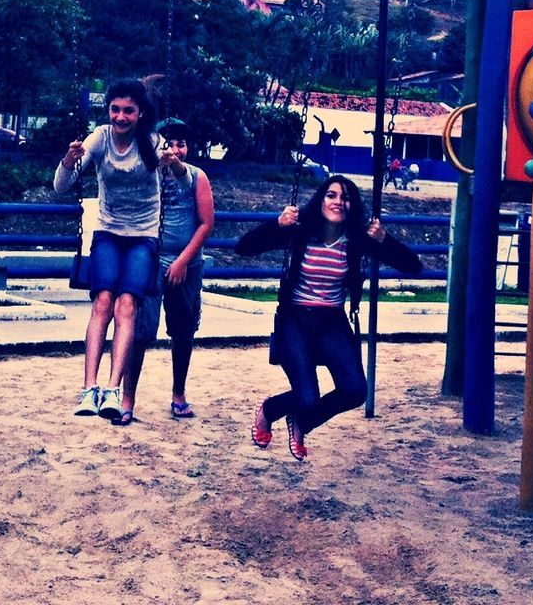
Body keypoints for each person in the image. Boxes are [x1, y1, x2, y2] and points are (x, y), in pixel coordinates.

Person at [235, 174, 422, 462]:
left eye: (345, 197)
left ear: (352, 205)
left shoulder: (358, 240)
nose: (338, 202)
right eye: (331, 195)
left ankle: (302, 423)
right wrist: (277, 225)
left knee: (355, 390)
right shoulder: (300, 231)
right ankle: (270, 410)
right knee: (307, 396)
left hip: (331, 320)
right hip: (295, 318)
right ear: (321, 199)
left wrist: (385, 240)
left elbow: (413, 267)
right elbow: (243, 248)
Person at [53, 79, 161, 421]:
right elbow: (61, 187)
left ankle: (114, 389)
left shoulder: (153, 143)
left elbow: (183, 179)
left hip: (143, 235)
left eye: (128, 110)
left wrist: (174, 167)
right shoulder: (99, 138)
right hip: (109, 232)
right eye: (115, 109)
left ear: (140, 113)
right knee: (102, 302)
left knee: (126, 305)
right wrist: (69, 162)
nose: (121, 117)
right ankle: (89, 389)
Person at [119, 117, 215, 425]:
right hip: (149, 260)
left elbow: (206, 224)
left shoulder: (197, 177)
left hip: (186, 262)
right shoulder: (148, 174)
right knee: (139, 332)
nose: (175, 150)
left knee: (183, 331)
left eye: (181, 144)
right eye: (168, 143)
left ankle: (178, 393)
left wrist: (183, 261)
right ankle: (127, 397)